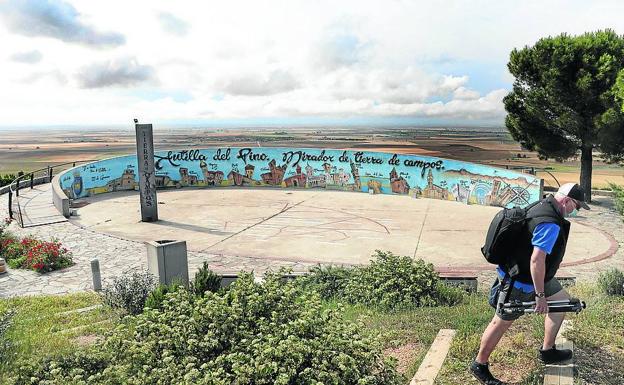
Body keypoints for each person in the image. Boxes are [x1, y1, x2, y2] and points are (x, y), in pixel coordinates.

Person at [470, 183, 590, 385]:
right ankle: (479, 364)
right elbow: (537, 260)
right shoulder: (550, 223)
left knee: (561, 302)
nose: (575, 211)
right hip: (522, 281)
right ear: (567, 201)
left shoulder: (543, 204)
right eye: (576, 206)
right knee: (501, 322)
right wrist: (540, 296)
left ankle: (547, 350)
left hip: (534, 275)